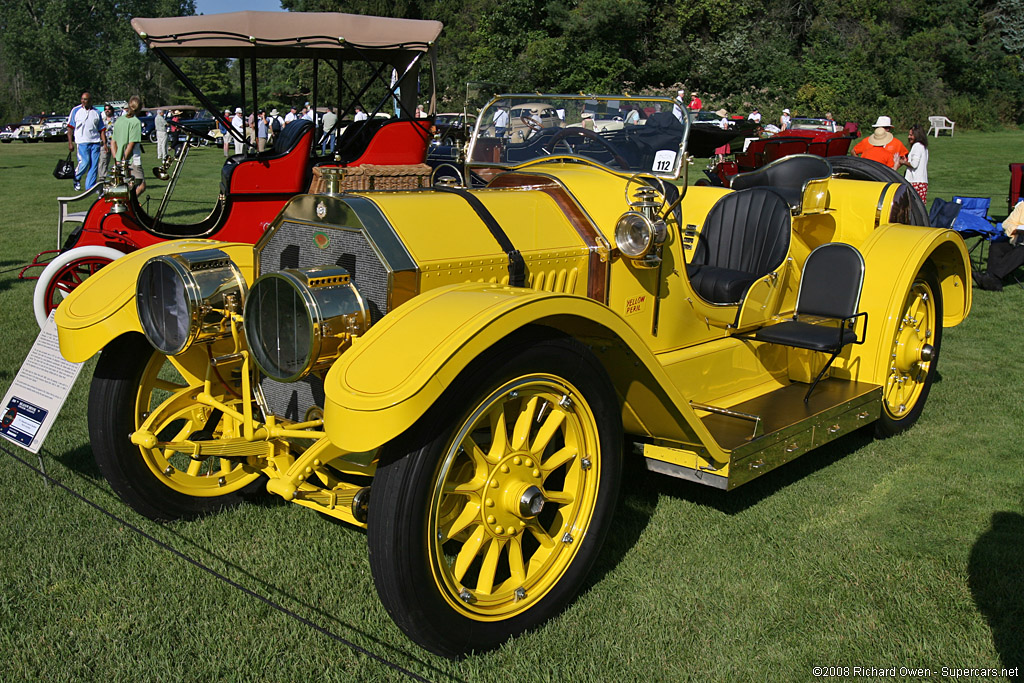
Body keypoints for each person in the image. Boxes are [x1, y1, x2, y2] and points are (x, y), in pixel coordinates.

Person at [972, 201, 1024, 291]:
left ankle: (991, 277)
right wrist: (1015, 229)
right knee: (996, 247)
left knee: (1022, 251)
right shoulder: (1022, 206)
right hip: (1017, 241)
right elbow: (1007, 223)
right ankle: (994, 283)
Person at [66, 90, 106, 192]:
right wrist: (70, 143)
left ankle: (90, 186)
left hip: (95, 141)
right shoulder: (76, 110)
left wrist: (105, 143)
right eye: (82, 99)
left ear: (90, 100)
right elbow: (70, 128)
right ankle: (76, 178)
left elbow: (101, 129)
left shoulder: (96, 112)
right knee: (85, 162)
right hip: (82, 141)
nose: (83, 101)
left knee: (94, 165)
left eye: (86, 99)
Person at [111, 94, 146, 197]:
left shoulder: (119, 120)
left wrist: (116, 158)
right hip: (131, 160)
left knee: (125, 186)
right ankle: (129, 204)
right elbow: (131, 144)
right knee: (141, 185)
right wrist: (123, 160)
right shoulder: (136, 122)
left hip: (118, 159)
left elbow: (113, 142)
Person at [898, 124, 929, 203]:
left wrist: (903, 162)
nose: (909, 137)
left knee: (911, 205)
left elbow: (914, 164)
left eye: (911, 135)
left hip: (915, 181)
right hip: (922, 181)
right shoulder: (924, 147)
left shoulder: (917, 146)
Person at [97, 104, 117, 181]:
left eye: (108, 109)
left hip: (115, 143)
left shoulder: (116, 119)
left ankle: (116, 177)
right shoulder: (102, 120)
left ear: (112, 110)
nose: (107, 110)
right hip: (104, 144)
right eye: (105, 109)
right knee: (103, 161)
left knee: (117, 160)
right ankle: (102, 178)